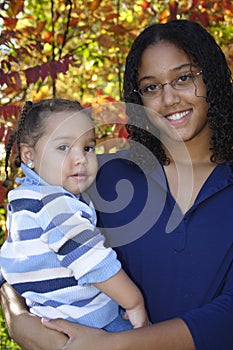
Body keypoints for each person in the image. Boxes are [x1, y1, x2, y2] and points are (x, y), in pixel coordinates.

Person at [1, 18, 233, 350]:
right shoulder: (100, 175)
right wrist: (20, 321)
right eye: (151, 86)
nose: (168, 99)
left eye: (184, 78)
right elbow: (23, 252)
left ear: (211, 80)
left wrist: (115, 345)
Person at [0, 98, 149, 332]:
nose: (81, 158)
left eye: (88, 148)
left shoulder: (23, 199)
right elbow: (94, 261)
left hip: (51, 317)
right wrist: (134, 302)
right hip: (92, 321)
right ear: (29, 155)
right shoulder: (55, 204)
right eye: (63, 147)